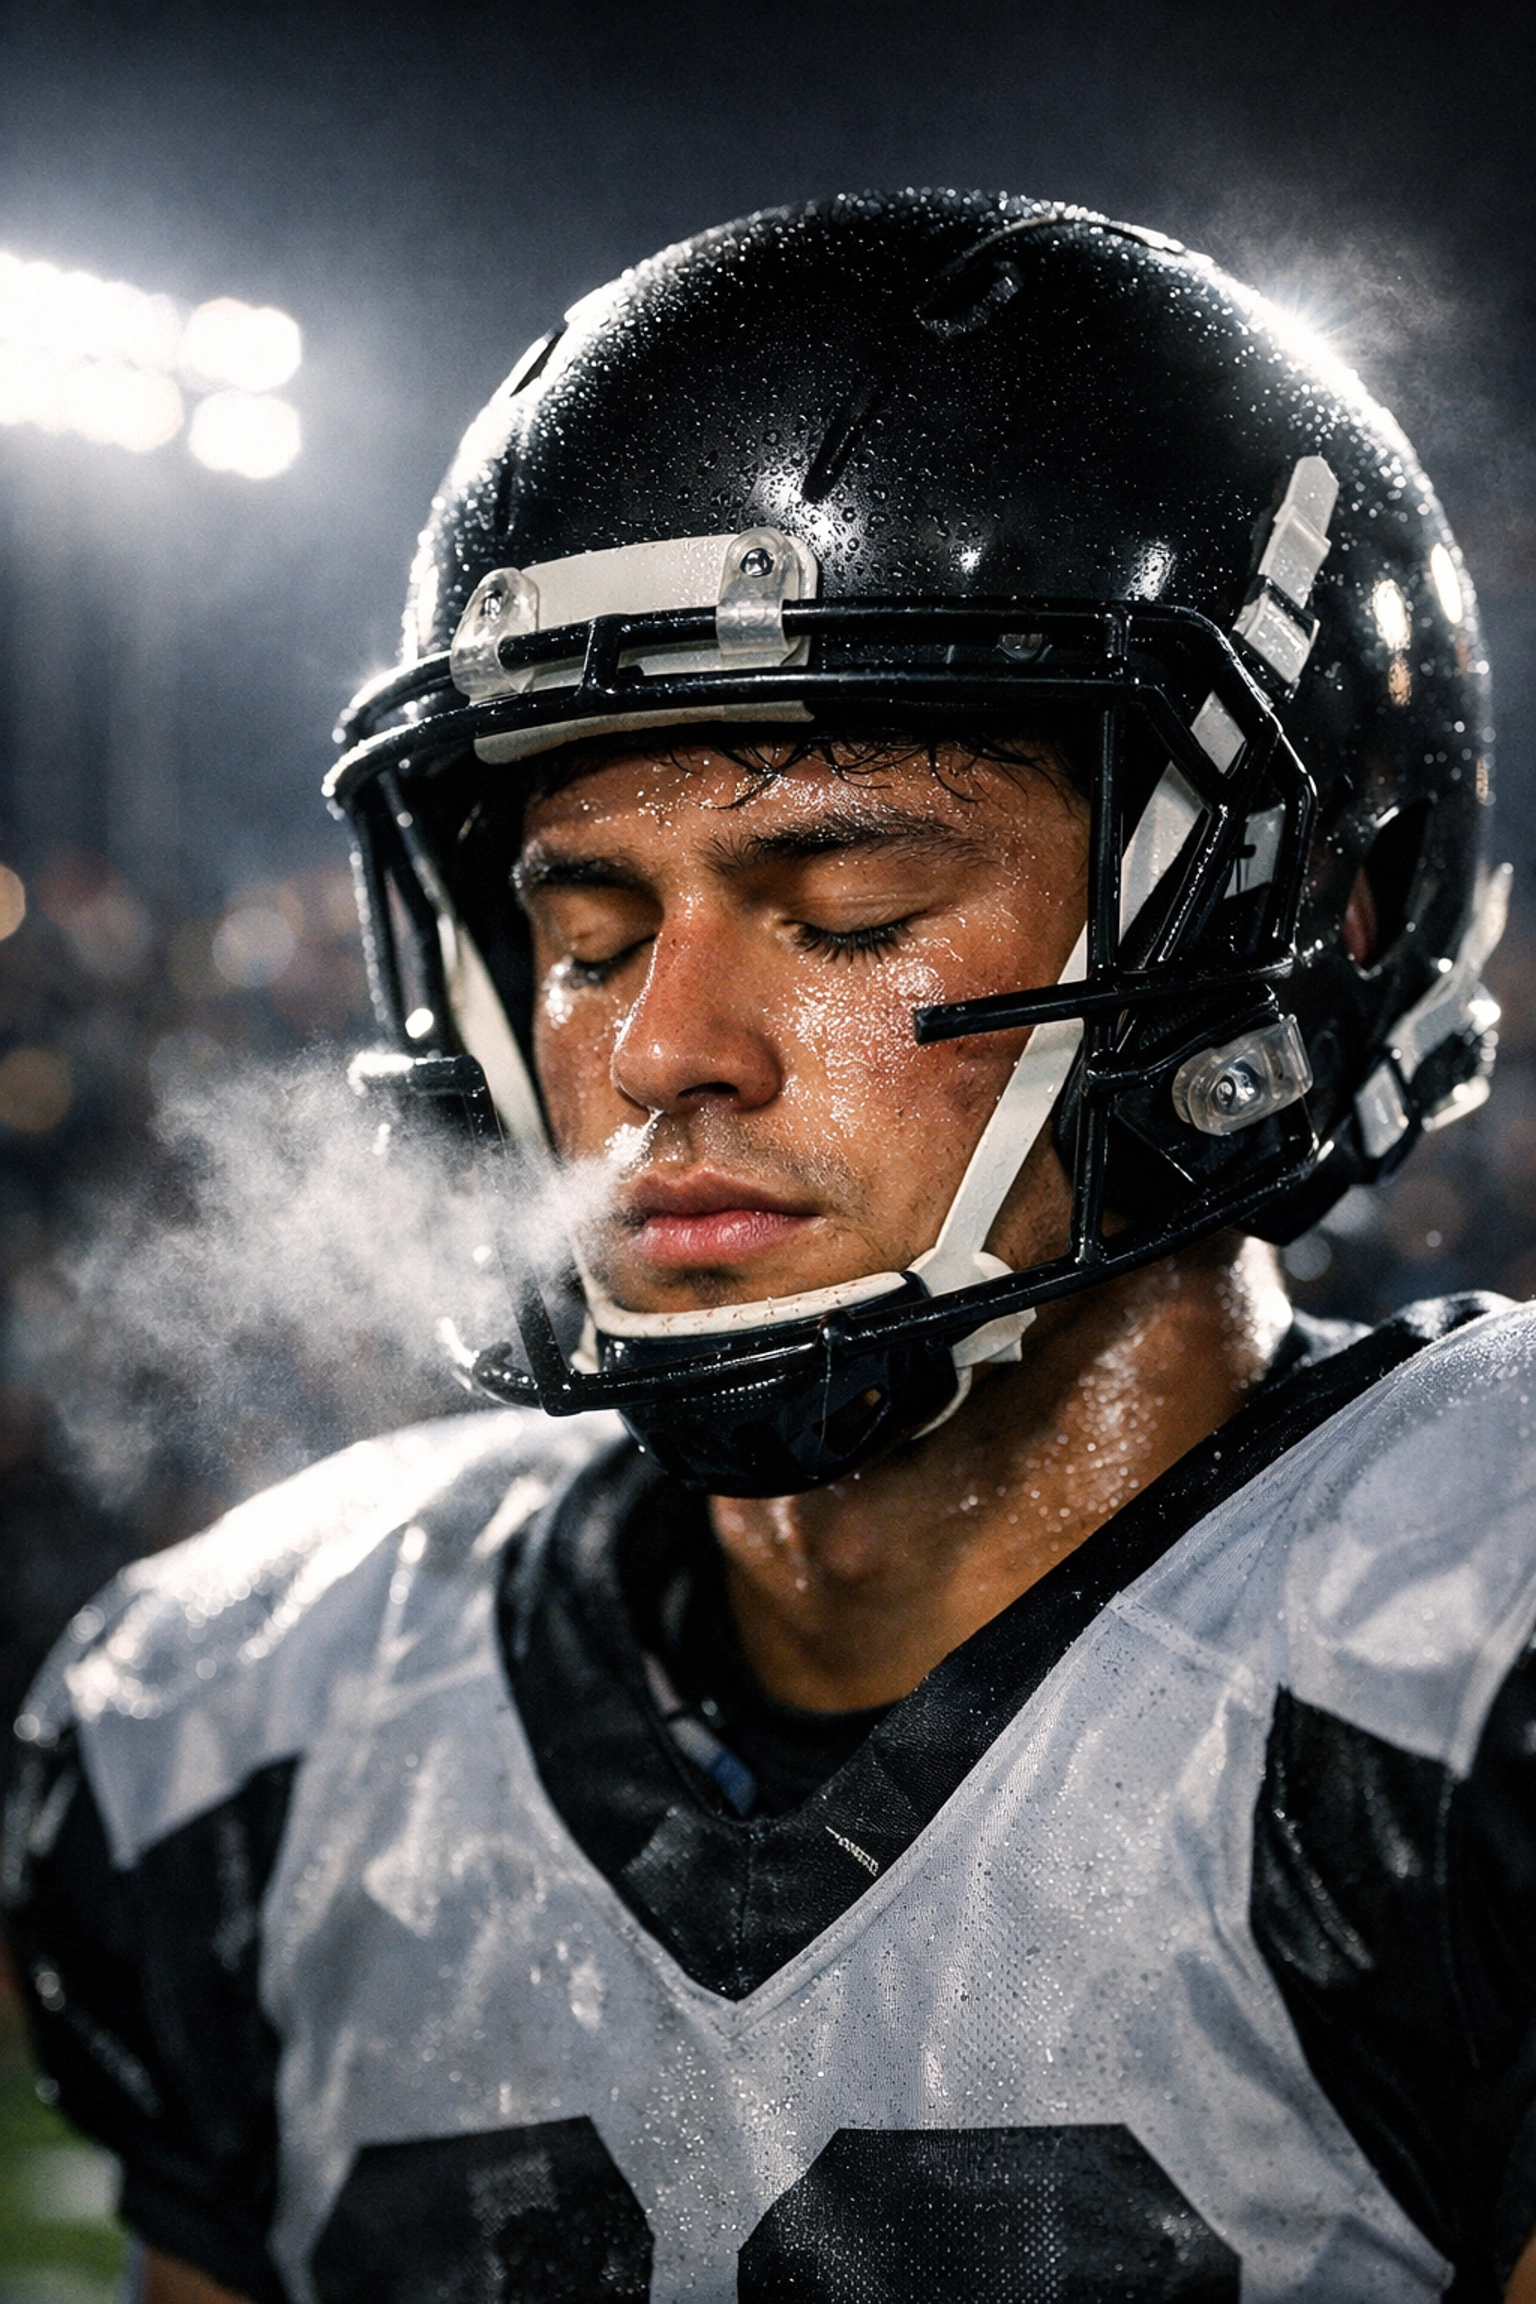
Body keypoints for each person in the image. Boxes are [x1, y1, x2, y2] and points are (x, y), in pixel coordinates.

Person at [4, 190, 1531, 2303]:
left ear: (1296, 924)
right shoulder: (261, 1714)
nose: (659, 1050)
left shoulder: (1482, 1633)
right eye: (583, 929)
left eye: (846, 903)